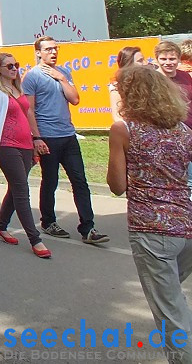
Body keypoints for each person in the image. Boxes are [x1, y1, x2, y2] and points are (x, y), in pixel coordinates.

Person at [108, 65, 192, 364]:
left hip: (151, 232)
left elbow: (117, 186)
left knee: (170, 314)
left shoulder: (123, 130)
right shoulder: (183, 130)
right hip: (186, 228)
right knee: (174, 300)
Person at [23, 35, 108, 245]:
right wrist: (36, 138)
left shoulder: (65, 72)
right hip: (47, 137)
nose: (53, 52)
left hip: (68, 135)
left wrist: (61, 78)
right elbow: (29, 110)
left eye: (55, 49)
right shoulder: (32, 77)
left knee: (80, 181)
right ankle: (48, 221)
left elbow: (75, 99)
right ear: (38, 53)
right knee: (50, 180)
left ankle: (88, 228)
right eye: (48, 49)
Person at [0, 52, 51, 259]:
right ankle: (35, 239)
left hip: (24, 145)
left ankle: (1, 226)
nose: (14, 69)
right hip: (7, 146)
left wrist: (35, 140)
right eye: (9, 66)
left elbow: (27, 115)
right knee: (22, 191)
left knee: (16, 188)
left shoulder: (17, 88)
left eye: (16, 65)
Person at [155, 41, 192, 128]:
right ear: (157, 59)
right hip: (168, 129)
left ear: (179, 59)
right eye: (163, 59)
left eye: (172, 59)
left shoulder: (185, 75)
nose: (168, 63)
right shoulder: (152, 79)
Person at [108, 46, 148, 118]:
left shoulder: (150, 82)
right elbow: (117, 116)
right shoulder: (117, 87)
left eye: (144, 59)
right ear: (128, 64)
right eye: (140, 61)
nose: (145, 63)